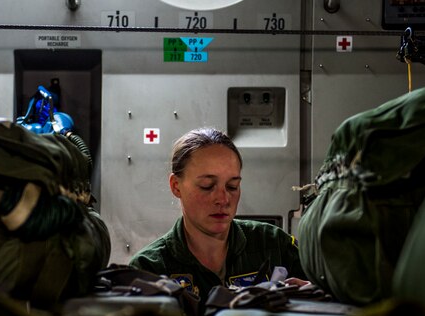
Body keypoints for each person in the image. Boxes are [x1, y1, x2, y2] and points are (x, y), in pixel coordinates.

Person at [129, 127, 307, 301]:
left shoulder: (275, 245)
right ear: (176, 186)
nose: (223, 199)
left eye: (232, 186)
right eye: (207, 186)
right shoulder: (149, 268)